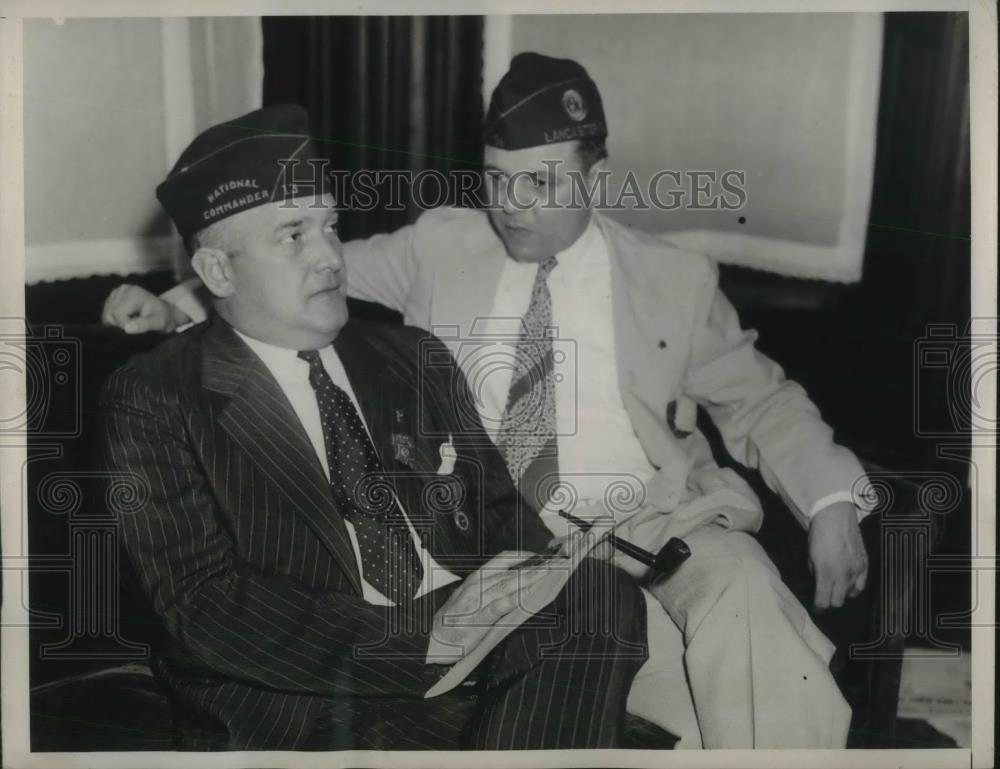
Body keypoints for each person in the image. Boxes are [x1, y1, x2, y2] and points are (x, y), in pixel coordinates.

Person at [102, 54, 870, 748]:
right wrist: (175, 303)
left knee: (746, 611)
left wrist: (831, 499)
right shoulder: (441, 244)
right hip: (503, 545)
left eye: (542, 182)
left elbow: (761, 399)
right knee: (673, 698)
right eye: (497, 180)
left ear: (593, 178)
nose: (513, 205)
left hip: (656, 525)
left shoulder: (672, 278)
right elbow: (297, 273)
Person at [99, 104, 651, 751]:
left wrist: (527, 580)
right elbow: (203, 606)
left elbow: (504, 514)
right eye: (294, 235)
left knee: (599, 591)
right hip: (313, 698)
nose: (330, 255)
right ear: (219, 271)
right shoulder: (155, 397)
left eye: (330, 226)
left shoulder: (409, 355)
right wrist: (427, 632)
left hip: (478, 651)